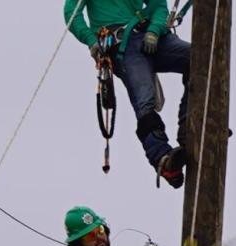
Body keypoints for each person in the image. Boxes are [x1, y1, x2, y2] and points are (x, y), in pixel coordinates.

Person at [63, 0, 191, 187]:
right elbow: (72, 14)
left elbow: (158, 5)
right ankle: (163, 158)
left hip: (150, 32)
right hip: (122, 43)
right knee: (144, 100)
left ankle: (192, 121)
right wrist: (91, 41)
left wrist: (154, 30)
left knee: (200, 59)